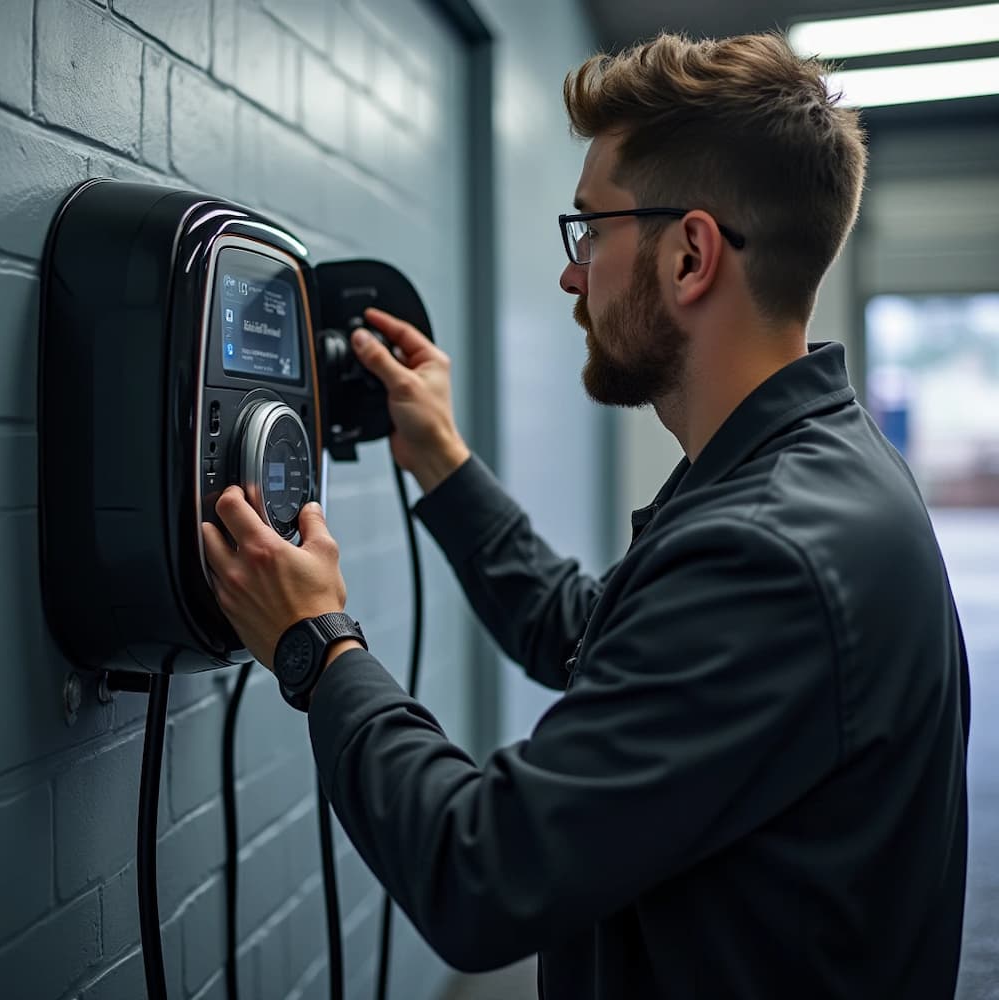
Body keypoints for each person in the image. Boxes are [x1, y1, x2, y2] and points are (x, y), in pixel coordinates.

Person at [202, 30, 970, 999]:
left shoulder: (769, 551)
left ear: (689, 253)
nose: (572, 275)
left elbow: (478, 871)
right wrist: (441, 462)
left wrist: (317, 646)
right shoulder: (812, 473)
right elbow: (588, 635)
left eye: (590, 231)